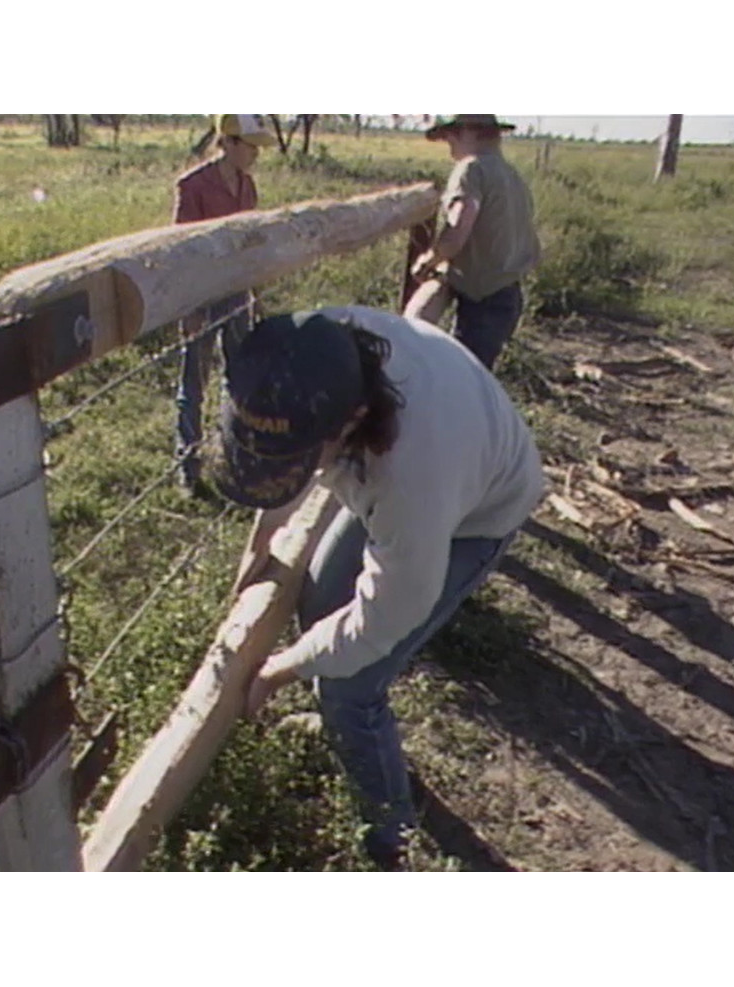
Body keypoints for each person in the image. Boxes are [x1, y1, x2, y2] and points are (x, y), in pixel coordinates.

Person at [211, 305, 545, 868]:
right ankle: (339, 723)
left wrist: (278, 671)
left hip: (481, 507)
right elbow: (284, 457)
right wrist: (260, 544)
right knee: (319, 595)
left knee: (353, 686)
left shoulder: (410, 480)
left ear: (349, 424)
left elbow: (386, 616)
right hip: (445, 445)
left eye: (300, 458)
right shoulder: (309, 352)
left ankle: (390, 837)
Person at [172, 113, 274, 494]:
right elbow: (181, 251)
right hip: (201, 295)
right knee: (193, 383)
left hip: (236, 294)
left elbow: (249, 246)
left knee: (239, 375)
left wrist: (255, 295)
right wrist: (190, 308)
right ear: (227, 143)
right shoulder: (192, 185)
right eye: (249, 146)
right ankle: (189, 466)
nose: (254, 155)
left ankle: (236, 451)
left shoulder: (248, 186)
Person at [404, 114, 542, 371]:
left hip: (483, 300)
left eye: (451, 136)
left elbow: (458, 229)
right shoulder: (512, 176)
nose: (449, 144)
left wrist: (428, 260)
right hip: (505, 294)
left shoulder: (471, 169)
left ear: (468, 133)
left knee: (462, 377)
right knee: (476, 374)